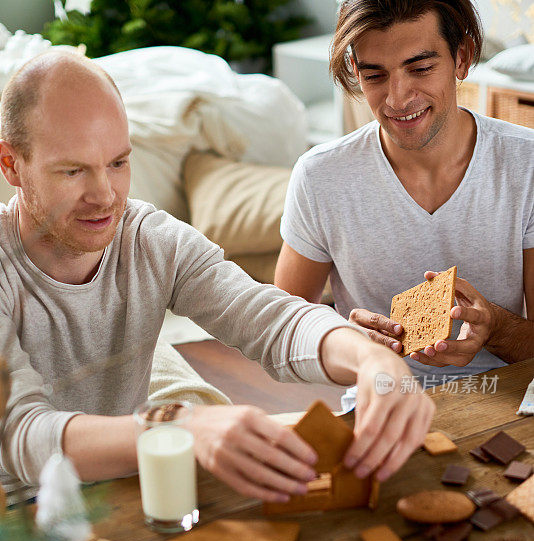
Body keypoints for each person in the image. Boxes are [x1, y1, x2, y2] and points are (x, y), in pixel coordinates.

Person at [0, 51, 434, 502]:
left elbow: (268, 317)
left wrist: (370, 360)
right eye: (73, 171)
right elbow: (21, 434)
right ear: (11, 164)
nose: (105, 195)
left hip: (124, 496)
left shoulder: (149, 240)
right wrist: (179, 425)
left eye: (118, 163)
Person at [275, 0, 534, 390]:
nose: (397, 99)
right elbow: (281, 337)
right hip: (379, 406)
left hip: (507, 403)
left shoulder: (527, 166)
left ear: (462, 57)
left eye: (420, 68)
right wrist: (349, 346)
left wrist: (495, 328)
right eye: (375, 75)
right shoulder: (320, 177)